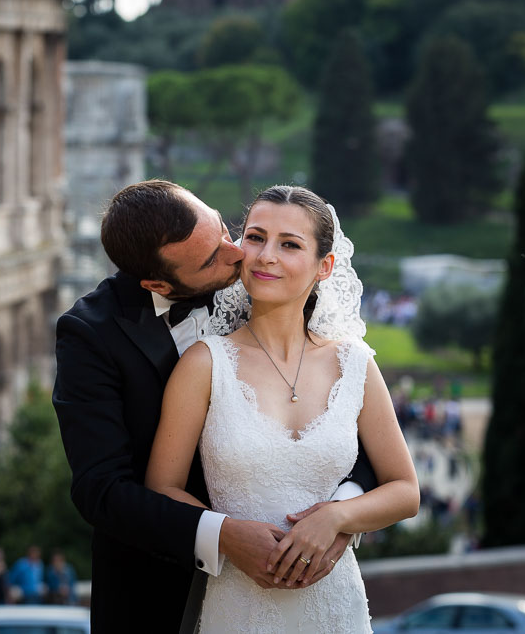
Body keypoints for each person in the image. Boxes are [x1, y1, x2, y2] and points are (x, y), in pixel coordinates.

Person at [53, 180, 378, 633]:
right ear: (157, 283)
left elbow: (344, 420)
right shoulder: (90, 336)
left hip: (306, 587)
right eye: (211, 259)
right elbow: (102, 491)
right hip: (156, 590)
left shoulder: (265, 282)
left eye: (226, 230)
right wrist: (222, 535)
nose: (237, 254)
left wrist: (338, 515)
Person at [146, 186, 419, 632]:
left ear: (324, 267)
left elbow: (405, 490)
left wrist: (338, 517)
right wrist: (227, 534)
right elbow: (161, 488)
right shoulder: (204, 363)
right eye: (254, 237)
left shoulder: (355, 364)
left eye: (289, 244)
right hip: (239, 605)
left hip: (335, 608)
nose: (265, 255)